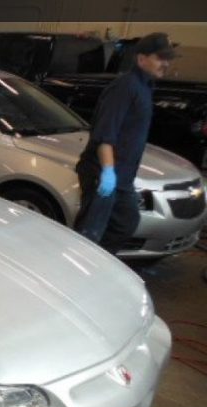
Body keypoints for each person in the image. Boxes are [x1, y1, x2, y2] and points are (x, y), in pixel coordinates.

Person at [75, 32, 178, 254]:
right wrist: (107, 172)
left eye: (168, 59)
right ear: (141, 59)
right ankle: (78, 266)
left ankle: (98, 264)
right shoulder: (125, 87)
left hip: (122, 178)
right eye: (160, 58)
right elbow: (105, 134)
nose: (166, 64)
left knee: (125, 223)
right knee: (90, 232)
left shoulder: (145, 87)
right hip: (103, 172)